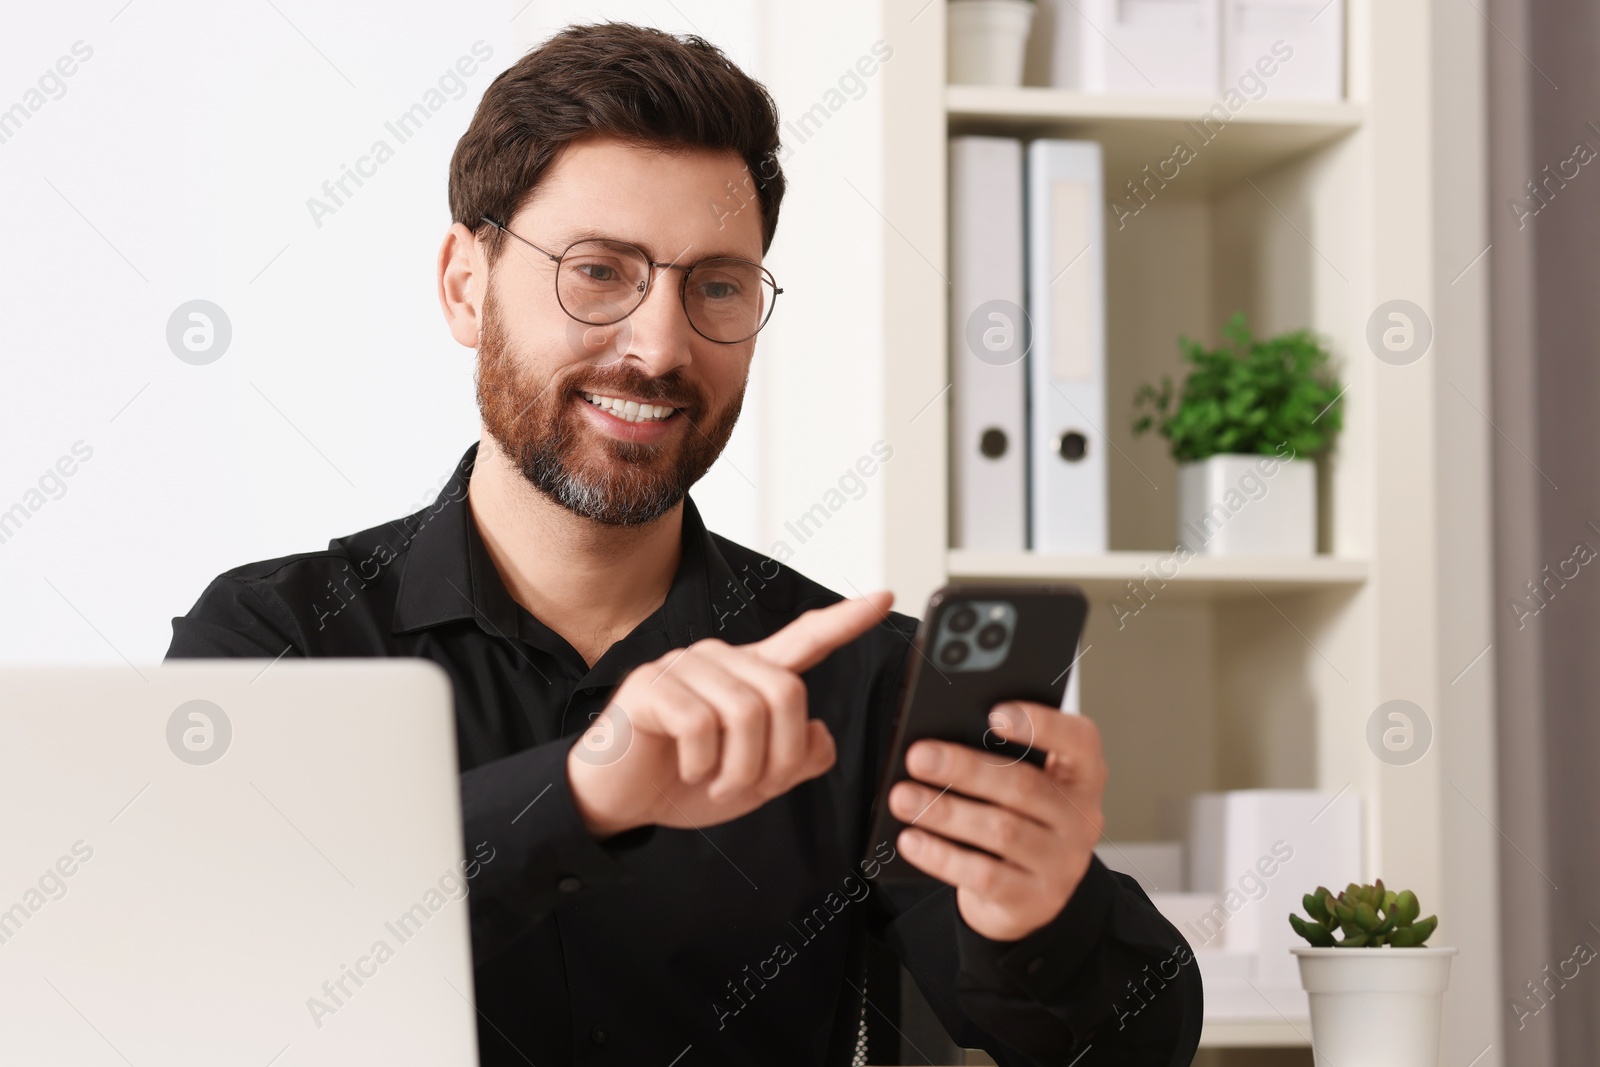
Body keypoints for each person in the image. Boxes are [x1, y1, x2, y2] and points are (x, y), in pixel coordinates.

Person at [166, 22, 1200, 1067]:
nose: (659, 346)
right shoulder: (279, 638)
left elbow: (1134, 1040)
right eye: (599, 271)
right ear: (464, 285)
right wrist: (577, 792)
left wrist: (1041, 911)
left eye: (715, 287)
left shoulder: (864, 681)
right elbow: (203, 965)